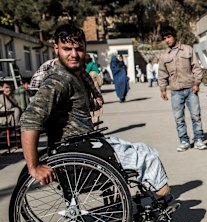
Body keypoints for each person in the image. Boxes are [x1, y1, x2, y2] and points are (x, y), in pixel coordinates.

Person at [20, 23, 177, 209]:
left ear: (85, 49)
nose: (73, 54)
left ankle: (156, 199)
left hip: (83, 144)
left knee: (143, 149)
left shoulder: (74, 75)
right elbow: (30, 120)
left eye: (78, 49)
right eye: (66, 49)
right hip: (80, 152)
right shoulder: (59, 81)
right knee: (148, 156)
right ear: (56, 49)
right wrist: (34, 166)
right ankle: (163, 205)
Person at [158, 26, 207, 151]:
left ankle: (198, 140)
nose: (167, 40)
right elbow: (162, 73)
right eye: (165, 39)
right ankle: (184, 141)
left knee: (196, 116)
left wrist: (197, 83)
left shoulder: (188, 49)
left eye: (169, 37)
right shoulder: (164, 56)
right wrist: (163, 89)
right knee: (179, 118)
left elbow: (196, 67)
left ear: (174, 36)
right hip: (175, 91)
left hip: (191, 89)